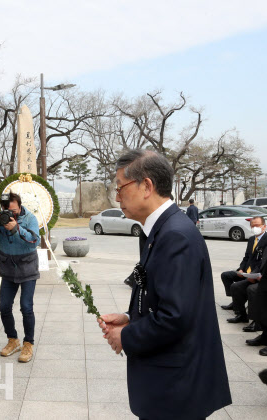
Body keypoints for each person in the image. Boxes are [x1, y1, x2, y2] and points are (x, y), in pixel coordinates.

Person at [98, 149, 231, 419]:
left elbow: (175, 316)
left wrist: (125, 335)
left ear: (146, 186)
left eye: (120, 187)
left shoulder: (175, 235)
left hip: (176, 388)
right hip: (171, 383)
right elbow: (164, 298)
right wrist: (128, 317)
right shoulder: (161, 229)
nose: (117, 196)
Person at [0, 192, 40, 363]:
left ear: (19, 206)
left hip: (27, 267)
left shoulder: (30, 218)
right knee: (4, 307)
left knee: (26, 307)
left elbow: (34, 241)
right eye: (7, 211)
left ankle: (28, 343)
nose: (10, 214)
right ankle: (12, 340)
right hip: (8, 268)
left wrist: (15, 229)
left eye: (13, 211)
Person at [221, 216, 266, 323]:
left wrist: (253, 275)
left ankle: (251, 318)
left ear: (264, 227)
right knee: (226, 275)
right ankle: (236, 303)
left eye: (257, 226)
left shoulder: (266, 240)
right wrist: (241, 269)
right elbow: (246, 257)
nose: (255, 228)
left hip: (257, 274)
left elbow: (263, 262)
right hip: (246, 271)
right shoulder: (251, 240)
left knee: (238, 287)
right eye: (253, 226)